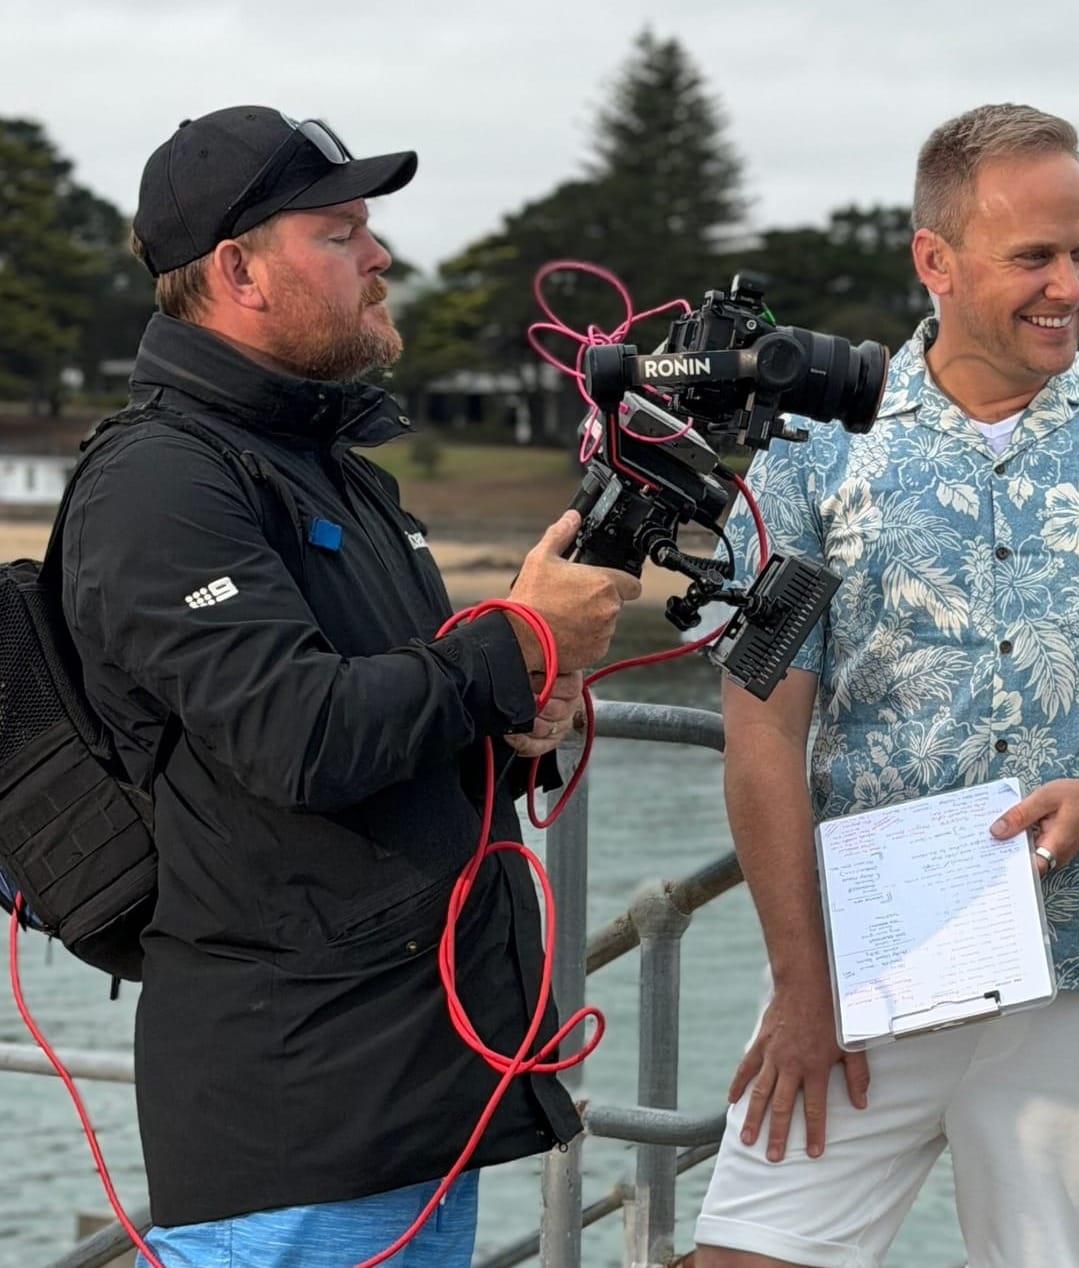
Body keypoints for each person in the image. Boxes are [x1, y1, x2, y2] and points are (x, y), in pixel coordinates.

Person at [693, 103, 1079, 1268]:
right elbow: (760, 733)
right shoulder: (811, 448)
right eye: (1032, 257)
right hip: (866, 963)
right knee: (740, 1251)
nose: (1067, 285)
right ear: (935, 260)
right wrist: (799, 986)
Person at [60, 106, 642, 1265]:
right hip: (299, 1103)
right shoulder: (161, 481)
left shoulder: (335, 471)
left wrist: (526, 716)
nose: (380, 259)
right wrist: (517, 637)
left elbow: (407, 703)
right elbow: (295, 735)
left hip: (406, 1085)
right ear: (238, 271)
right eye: (339, 233)